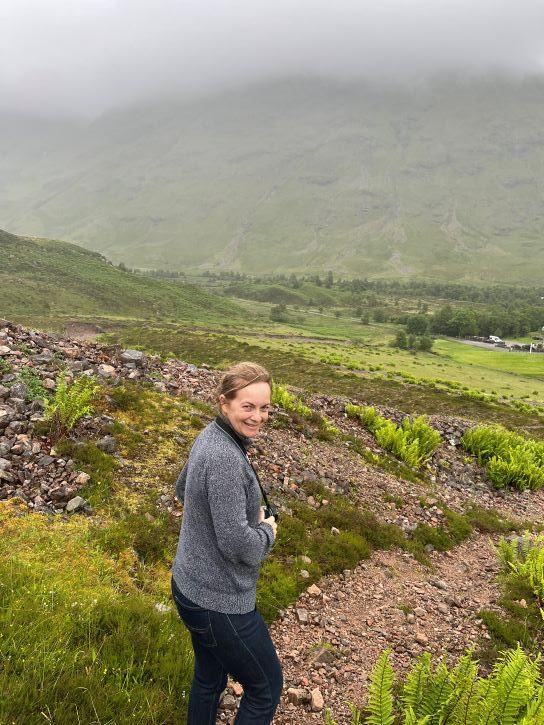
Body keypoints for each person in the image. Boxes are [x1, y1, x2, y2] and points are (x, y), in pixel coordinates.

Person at [171, 361, 282, 724]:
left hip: (190, 587)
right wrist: (267, 531)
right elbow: (239, 545)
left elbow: (181, 488)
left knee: (210, 677)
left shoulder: (211, 435)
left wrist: (214, 520)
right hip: (219, 602)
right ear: (225, 402)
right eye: (247, 406)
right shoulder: (224, 457)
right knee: (265, 688)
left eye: (264, 407)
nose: (258, 416)